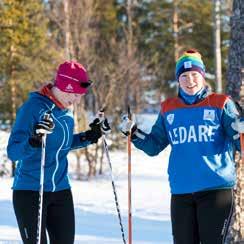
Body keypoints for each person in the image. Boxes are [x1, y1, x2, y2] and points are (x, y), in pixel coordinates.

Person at [120, 49, 243, 244]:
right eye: (184, 76)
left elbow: (240, 144)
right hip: (181, 192)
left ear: (202, 76)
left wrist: (242, 129)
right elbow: (154, 146)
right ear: (178, 79)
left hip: (216, 190)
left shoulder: (220, 103)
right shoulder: (169, 108)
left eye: (194, 75)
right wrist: (133, 132)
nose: (190, 80)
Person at [7, 61, 110, 244]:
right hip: (31, 190)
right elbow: (13, 152)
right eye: (76, 94)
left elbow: (62, 145)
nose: (78, 100)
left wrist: (89, 136)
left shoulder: (66, 113)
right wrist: (33, 140)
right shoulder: (33, 108)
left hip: (61, 190)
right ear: (66, 86)